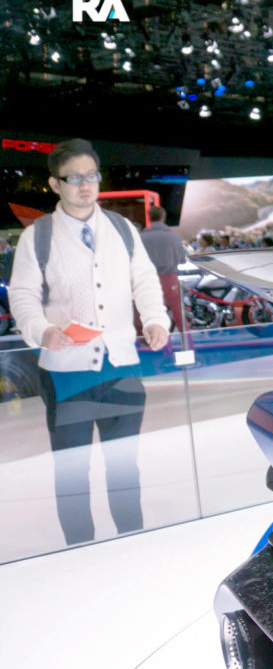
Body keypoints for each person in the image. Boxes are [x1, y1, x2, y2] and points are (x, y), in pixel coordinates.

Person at [8, 138, 171, 546]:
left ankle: (130, 544)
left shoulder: (122, 229)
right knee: (72, 470)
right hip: (66, 374)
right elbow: (23, 295)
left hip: (122, 366)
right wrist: (42, 330)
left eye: (91, 176)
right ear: (54, 183)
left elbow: (145, 281)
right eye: (74, 178)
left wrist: (154, 319)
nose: (85, 185)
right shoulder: (38, 236)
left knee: (123, 467)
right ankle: (81, 550)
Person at [138, 205, 187, 334]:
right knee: (178, 314)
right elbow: (182, 259)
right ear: (163, 217)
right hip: (170, 279)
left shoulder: (142, 237)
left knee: (155, 315)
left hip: (150, 281)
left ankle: (162, 347)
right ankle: (188, 344)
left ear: (149, 217)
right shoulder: (173, 236)